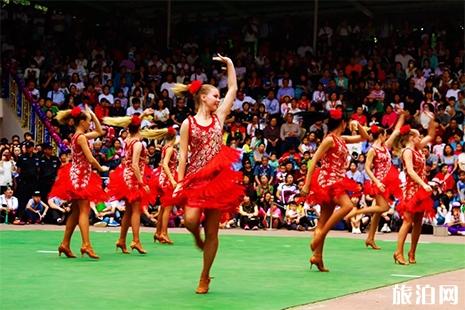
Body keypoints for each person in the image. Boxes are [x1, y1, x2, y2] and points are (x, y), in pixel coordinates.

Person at [170, 54, 244, 294]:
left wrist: (230, 64)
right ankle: (196, 238)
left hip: (218, 181)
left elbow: (233, 87)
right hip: (195, 178)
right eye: (215, 96)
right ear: (203, 97)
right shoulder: (187, 124)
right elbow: (182, 156)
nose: (218, 100)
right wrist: (179, 182)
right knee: (190, 220)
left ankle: (204, 276)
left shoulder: (219, 117)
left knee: (213, 231)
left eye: (219, 98)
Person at [301, 109, 369, 271]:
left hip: (337, 179)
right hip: (328, 180)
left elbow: (365, 137)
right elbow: (314, 160)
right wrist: (307, 184)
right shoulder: (329, 139)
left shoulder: (342, 139)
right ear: (342, 123)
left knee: (323, 219)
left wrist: (358, 124)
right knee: (348, 206)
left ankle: (317, 257)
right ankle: (321, 234)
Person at [49, 106, 109, 259]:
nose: (90, 124)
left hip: (77, 175)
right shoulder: (81, 137)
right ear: (82, 121)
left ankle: (65, 244)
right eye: (88, 121)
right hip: (81, 177)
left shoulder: (78, 135)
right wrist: (100, 168)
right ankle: (86, 245)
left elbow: (100, 132)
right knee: (84, 210)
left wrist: (93, 115)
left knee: (76, 212)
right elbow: (90, 158)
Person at [103, 109, 166, 254]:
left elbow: (134, 123)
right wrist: (142, 183)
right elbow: (135, 165)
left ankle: (121, 240)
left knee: (128, 210)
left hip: (124, 176)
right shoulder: (138, 144)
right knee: (136, 210)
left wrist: (143, 114)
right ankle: (136, 241)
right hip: (133, 178)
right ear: (140, 128)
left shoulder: (127, 140)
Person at [345, 113, 406, 249]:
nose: (386, 136)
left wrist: (402, 116)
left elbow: (396, 132)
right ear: (381, 135)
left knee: (378, 212)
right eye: (385, 134)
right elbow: (367, 168)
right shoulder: (373, 149)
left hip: (388, 180)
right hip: (379, 180)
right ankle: (357, 212)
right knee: (384, 208)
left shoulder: (385, 146)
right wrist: (377, 182)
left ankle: (370, 238)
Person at [393, 120, 436, 265]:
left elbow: (430, 136)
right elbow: (410, 171)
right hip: (411, 190)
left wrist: (432, 124)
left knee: (418, 223)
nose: (420, 139)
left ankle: (412, 252)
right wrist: (424, 183)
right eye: (418, 137)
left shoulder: (417, 149)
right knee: (407, 221)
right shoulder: (407, 151)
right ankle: (398, 252)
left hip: (421, 191)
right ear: (412, 138)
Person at [154, 127, 178, 244]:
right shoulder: (170, 149)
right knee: (167, 208)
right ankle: (164, 233)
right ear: (173, 137)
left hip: (162, 178)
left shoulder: (165, 147)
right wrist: (172, 179)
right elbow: (165, 164)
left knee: (163, 207)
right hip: (168, 179)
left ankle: (158, 232)